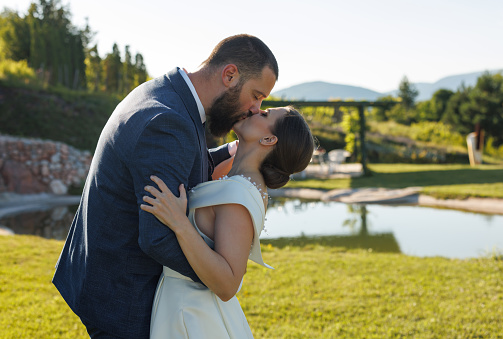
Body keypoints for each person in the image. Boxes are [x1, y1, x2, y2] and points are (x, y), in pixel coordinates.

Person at [52, 34, 279, 338]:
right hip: (123, 295)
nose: (254, 108)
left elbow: (178, 164)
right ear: (230, 75)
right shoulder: (168, 122)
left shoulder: (171, 94)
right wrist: (220, 275)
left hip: (108, 277)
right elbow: (157, 237)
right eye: (256, 95)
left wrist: (231, 152)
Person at [141, 107, 315, 338]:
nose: (255, 109)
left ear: (268, 139)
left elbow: (228, 284)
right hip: (183, 302)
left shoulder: (239, 192)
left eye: (265, 114)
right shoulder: (238, 179)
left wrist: (179, 223)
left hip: (193, 315)